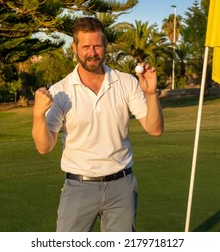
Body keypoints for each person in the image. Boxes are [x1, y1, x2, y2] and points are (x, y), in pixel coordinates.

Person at [32, 16, 164, 232]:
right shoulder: (60, 91)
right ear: (74, 48)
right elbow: (44, 147)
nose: (92, 53)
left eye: (97, 46)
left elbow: (155, 129)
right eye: (85, 46)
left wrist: (150, 95)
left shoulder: (127, 82)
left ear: (105, 46)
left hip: (122, 185)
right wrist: (38, 115)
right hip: (78, 186)